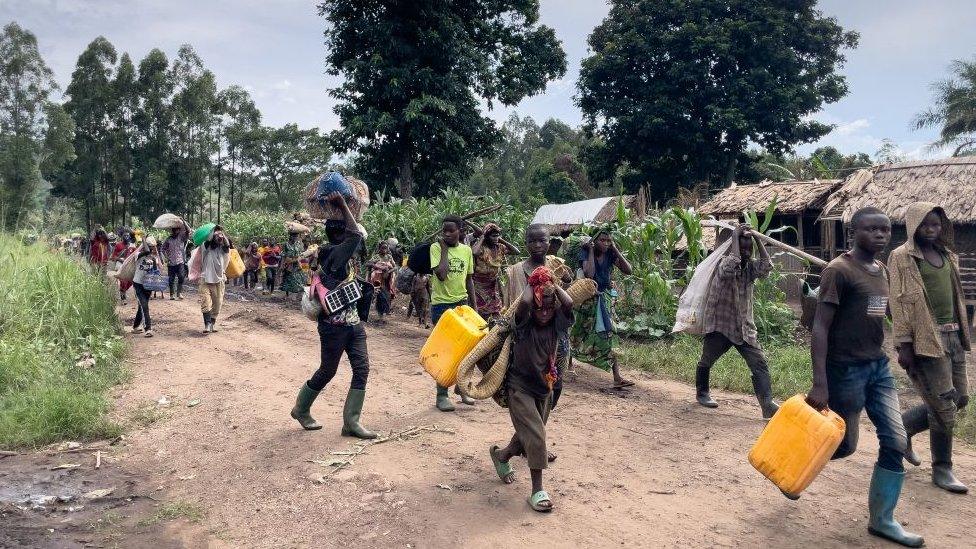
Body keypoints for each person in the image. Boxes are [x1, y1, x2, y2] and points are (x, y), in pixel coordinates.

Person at [807, 207, 923, 548]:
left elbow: (884, 313)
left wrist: (907, 346)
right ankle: (791, 464)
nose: (881, 235)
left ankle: (882, 520)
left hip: (878, 369)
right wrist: (820, 382)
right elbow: (819, 327)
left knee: (895, 440)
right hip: (844, 371)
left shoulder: (881, 270)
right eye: (872, 229)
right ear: (853, 233)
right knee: (844, 445)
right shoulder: (838, 271)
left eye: (886, 230)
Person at [889, 203, 970, 494]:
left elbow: (956, 296)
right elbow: (898, 302)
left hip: (953, 337)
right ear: (913, 226)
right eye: (925, 225)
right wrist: (904, 345)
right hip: (926, 341)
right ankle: (943, 469)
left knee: (960, 398)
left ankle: (903, 428)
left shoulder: (947, 255)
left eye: (935, 225)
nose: (931, 230)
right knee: (944, 408)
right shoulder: (901, 257)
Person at [290, 192, 376, 439]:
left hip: (352, 324)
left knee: (362, 369)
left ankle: (351, 422)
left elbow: (356, 236)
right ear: (339, 233)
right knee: (328, 370)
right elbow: (356, 234)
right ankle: (301, 408)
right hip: (333, 326)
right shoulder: (333, 255)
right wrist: (341, 205)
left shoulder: (341, 255)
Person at [489, 266, 574, 513]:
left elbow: (567, 305)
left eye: (549, 306)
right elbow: (525, 303)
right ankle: (537, 490)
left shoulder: (556, 322)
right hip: (520, 388)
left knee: (527, 436)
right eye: (541, 306)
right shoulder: (524, 322)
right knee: (536, 436)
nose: (544, 311)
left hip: (544, 388)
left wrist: (552, 284)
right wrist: (534, 282)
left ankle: (501, 456)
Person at [504, 224, 575, 462]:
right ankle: (535, 443)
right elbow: (513, 307)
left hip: (554, 338)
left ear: (548, 242)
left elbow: (567, 297)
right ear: (526, 243)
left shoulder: (556, 267)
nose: (537, 245)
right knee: (530, 392)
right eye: (532, 241)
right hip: (525, 336)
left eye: (542, 241)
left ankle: (533, 441)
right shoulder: (515, 271)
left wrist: (556, 280)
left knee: (551, 392)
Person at [694, 224, 779, 419]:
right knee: (707, 359)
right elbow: (730, 266)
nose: (746, 252)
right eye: (743, 247)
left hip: (743, 328)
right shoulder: (723, 265)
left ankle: (767, 403)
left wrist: (757, 238)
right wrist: (734, 237)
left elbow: (766, 266)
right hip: (721, 325)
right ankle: (702, 392)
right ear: (733, 247)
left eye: (749, 248)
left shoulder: (749, 268)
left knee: (759, 363)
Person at [572, 228, 634, 388]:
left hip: (604, 299)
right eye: (602, 240)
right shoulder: (585, 253)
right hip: (587, 299)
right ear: (594, 241)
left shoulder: (610, 254)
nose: (606, 243)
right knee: (578, 331)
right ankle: (569, 361)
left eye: (608, 241)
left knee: (609, 333)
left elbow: (628, 270)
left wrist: (615, 249)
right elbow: (590, 275)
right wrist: (591, 250)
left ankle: (617, 377)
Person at [430, 215, 477, 411]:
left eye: (451, 230)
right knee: (446, 351)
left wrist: (474, 307)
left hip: (462, 303)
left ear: (461, 230)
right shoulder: (436, 248)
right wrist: (443, 249)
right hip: (442, 305)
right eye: (444, 231)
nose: (447, 234)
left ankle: (462, 387)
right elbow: (441, 275)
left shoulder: (466, 251)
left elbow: (469, 280)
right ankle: (442, 395)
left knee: (468, 349)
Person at [471, 223, 520, 321]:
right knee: (481, 310)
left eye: (497, 235)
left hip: (493, 283)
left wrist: (501, 240)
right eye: (493, 236)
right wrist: (482, 238)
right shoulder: (482, 247)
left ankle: (494, 327)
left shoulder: (500, 247)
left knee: (496, 309)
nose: (496, 238)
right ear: (487, 237)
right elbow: (474, 252)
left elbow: (516, 251)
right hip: (479, 284)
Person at [199, 226, 231, 334]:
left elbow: (227, 245)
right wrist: (214, 232)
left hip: (219, 279)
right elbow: (209, 241)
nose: (219, 238)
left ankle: (212, 323)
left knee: (218, 304)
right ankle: (207, 324)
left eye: (220, 236)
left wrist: (222, 234)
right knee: (205, 301)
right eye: (216, 236)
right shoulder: (206, 247)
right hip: (205, 279)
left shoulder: (223, 249)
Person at [131, 236, 161, 338]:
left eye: (152, 247)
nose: (151, 249)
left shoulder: (153, 258)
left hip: (147, 285)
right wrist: (144, 239)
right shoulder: (138, 255)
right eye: (149, 246)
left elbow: (156, 272)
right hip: (138, 284)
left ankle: (135, 326)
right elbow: (146, 252)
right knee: (144, 306)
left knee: (142, 306)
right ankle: (148, 329)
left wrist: (155, 283)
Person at [367, 241, 398, 320]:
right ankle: (379, 315)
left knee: (387, 296)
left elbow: (395, 267)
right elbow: (368, 264)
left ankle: (383, 315)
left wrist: (388, 271)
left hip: (387, 279)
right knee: (380, 296)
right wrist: (379, 267)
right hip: (378, 280)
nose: (384, 250)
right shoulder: (376, 257)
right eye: (383, 248)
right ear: (379, 249)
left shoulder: (389, 257)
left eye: (386, 248)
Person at [161, 223, 189, 300]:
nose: (177, 231)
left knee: (181, 277)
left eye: (178, 230)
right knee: (171, 279)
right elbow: (162, 249)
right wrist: (166, 258)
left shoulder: (182, 238)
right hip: (171, 263)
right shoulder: (168, 239)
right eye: (175, 230)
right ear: (173, 231)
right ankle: (172, 294)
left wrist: (183, 221)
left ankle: (179, 293)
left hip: (180, 261)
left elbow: (188, 231)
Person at [110, 229, 138, 304]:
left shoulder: (132, 245)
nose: (126, 237)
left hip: (129, 266)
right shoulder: (118, 245)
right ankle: (123, 298)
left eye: (128, 235)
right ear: (122, 237)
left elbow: (135, 254)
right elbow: (113, 257)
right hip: (121, 265)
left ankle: (123, 291)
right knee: (123, 281)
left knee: (130, 281)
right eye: (125, 235)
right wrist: (121, 260)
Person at [280, 231, 307, 299]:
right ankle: (287, 294)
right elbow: (283, 255)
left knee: (298, 278)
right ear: (290, 236)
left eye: (296, 236)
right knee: (287, 278)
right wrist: (282, 265)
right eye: (294, 236)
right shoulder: (286, 244)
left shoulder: (298, 244)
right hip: (288, 263)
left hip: (297, 263)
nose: (295, 238)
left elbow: (301, 254)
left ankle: (296, 295)